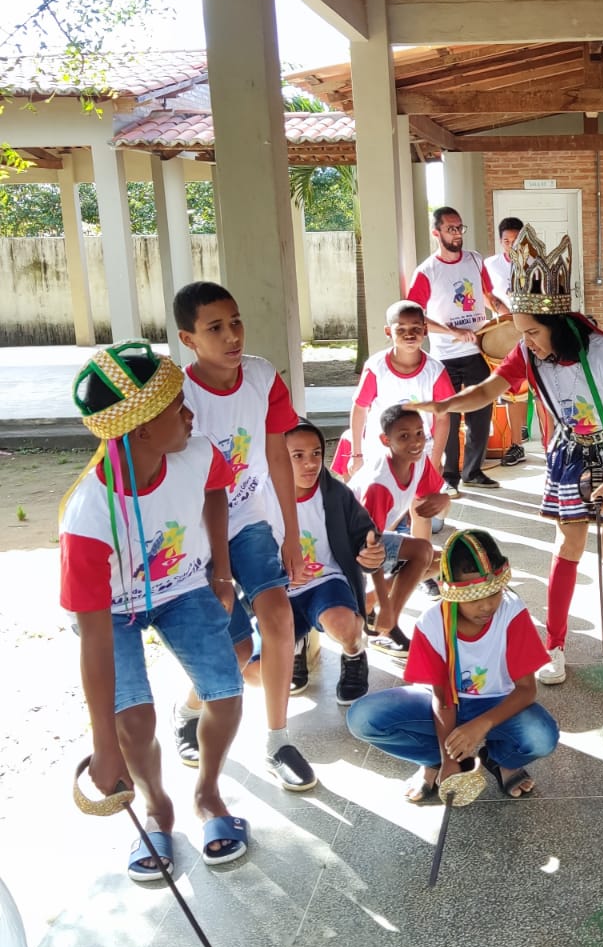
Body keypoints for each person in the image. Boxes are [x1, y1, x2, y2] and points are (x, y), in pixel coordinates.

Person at [411, 224, 603, 683]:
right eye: (521, 332)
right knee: (567, 545)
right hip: (573, 450)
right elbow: (488, 389)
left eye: (532, 332)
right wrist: (444, 405)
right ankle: (554, 644)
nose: (526, 341)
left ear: (558, 324)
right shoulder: (529, 354)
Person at [60, 341, 247, 875]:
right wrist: (105, 747)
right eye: (178, 408)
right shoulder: (88, 518)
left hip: (182, 587)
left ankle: (208, 794)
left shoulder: (197, 454)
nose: (191, 416)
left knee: (226, 691)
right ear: (141, 431)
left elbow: (215, 490)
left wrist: (221, 571)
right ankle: (157, 809)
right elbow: (95, 638)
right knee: (134, 720)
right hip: (112, 613)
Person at [173, 280, 317, 793]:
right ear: (189, 339)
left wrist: (292, 534)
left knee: (279, 619)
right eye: (215, 328)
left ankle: (278, 740)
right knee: (233, 653)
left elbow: (277, 455)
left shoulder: (261, 377)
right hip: (197, 533)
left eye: (236, 322)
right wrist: (216, 567)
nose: (232, 335)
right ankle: (189, 709)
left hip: (251, 518)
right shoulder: (179, 397)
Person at [346, 528, 560, 804]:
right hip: (442, 705)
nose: (487, 606)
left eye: (494, 593)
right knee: (362, 718)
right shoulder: (431, 623)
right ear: (450, 593)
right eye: (474, 597)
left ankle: (501, 759)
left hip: (499, 704)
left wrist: (481, 725)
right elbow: (442, 698)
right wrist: (449, 761)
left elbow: (526, 689)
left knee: (542, 736)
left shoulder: (511, 611)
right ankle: (433, 760)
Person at [243, 419, 387, 708]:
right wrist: (277, 575)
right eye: (297, 456)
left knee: (343, 626)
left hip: (327, 581)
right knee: (255, 673)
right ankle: (295, 644)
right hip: (277, 590)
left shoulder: (335, 493)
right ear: (275, 458)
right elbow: (241, 553)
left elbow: (365, 537)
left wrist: (371, 554)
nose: (310, 464)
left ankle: (354, 654)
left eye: (316, 453)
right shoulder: (256, 498)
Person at [407, 205, 510, 492]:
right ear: (436, 233)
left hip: (478, 352)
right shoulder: (426, 271)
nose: (457, 234)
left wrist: (507, 316)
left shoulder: (475, 260)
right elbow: (415, 317)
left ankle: (473, 471)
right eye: (451, 229)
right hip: (445, 357)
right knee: (448, 418)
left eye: (460, 228)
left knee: (481, 412)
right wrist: (453, 331)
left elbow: (487, 295)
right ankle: (449, 477)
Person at [350, 405, 450, 650]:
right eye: (404, 436)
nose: (415, 442)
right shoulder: (379, 484)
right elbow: (369, 549)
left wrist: (443, 498)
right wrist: (387, 604)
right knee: (422, 553)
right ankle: (387, 621)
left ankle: (369, 604)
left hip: (373, 538)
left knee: (443, 560)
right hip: (349, 546)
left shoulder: (419, 459)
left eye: (419, 433)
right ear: (386, 440)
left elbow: (432, 497)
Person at [332, 299, 452, 480]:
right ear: (388, 332)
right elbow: (360, 408)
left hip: (421, 450)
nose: (409, 335)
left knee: (417, 497)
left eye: (416, 328)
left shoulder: (435, 371)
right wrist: (357, 455)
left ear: (425, 330)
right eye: (401, 329)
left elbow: (442, 418)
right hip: (380, 450)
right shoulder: (376, 367)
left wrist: (435, 461)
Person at [484, 216, 524, 308]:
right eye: (507, 241)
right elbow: (484, 294)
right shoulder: (489, 264)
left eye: (516, 241)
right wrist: (505, 313)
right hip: (502, 316)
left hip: (528, 316)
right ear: (500, 241)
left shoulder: (534, 265)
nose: (512, 246)